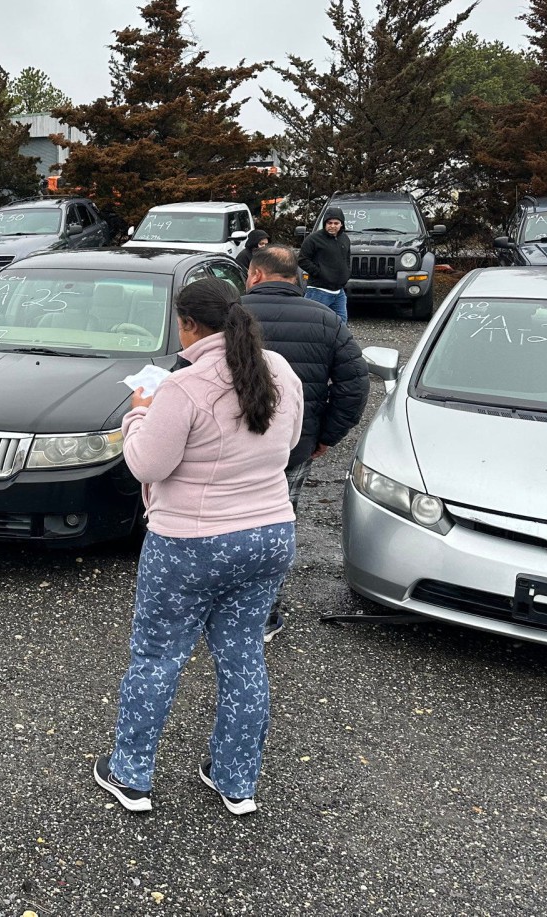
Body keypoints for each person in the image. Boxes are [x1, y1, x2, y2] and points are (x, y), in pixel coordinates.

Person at [94, 278, 303, 817]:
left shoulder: (180, 389)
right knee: (243, 658)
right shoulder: (279, 370)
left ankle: (131, 774)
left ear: (187, 325)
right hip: (269, 535)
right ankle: (236, 783)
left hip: (191, 542)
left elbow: (146, 464)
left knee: (158, 659)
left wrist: (138, 410)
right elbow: (291, 440)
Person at [242, 245, 369, 639]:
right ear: (296, 276)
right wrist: (325, 436)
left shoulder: (231, 314)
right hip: (293, 447)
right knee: (277, 525)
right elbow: (355, 387)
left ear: (257, 275)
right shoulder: (327, 320)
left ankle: (220, 610)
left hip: (226, 445)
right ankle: (263, 616)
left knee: (222, 523)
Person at [299, 207, 351, 322]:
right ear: (325, 223)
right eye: (329, 223)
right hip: (318, 291)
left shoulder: (345, 238)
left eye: (336, 223)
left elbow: (347, 258)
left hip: (339, 292)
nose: (332, 226)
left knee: (341, 324)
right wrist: (319, 273)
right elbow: (302, 260)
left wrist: (347, 273)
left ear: (341, 224)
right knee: (311, 322)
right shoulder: (313, 239)